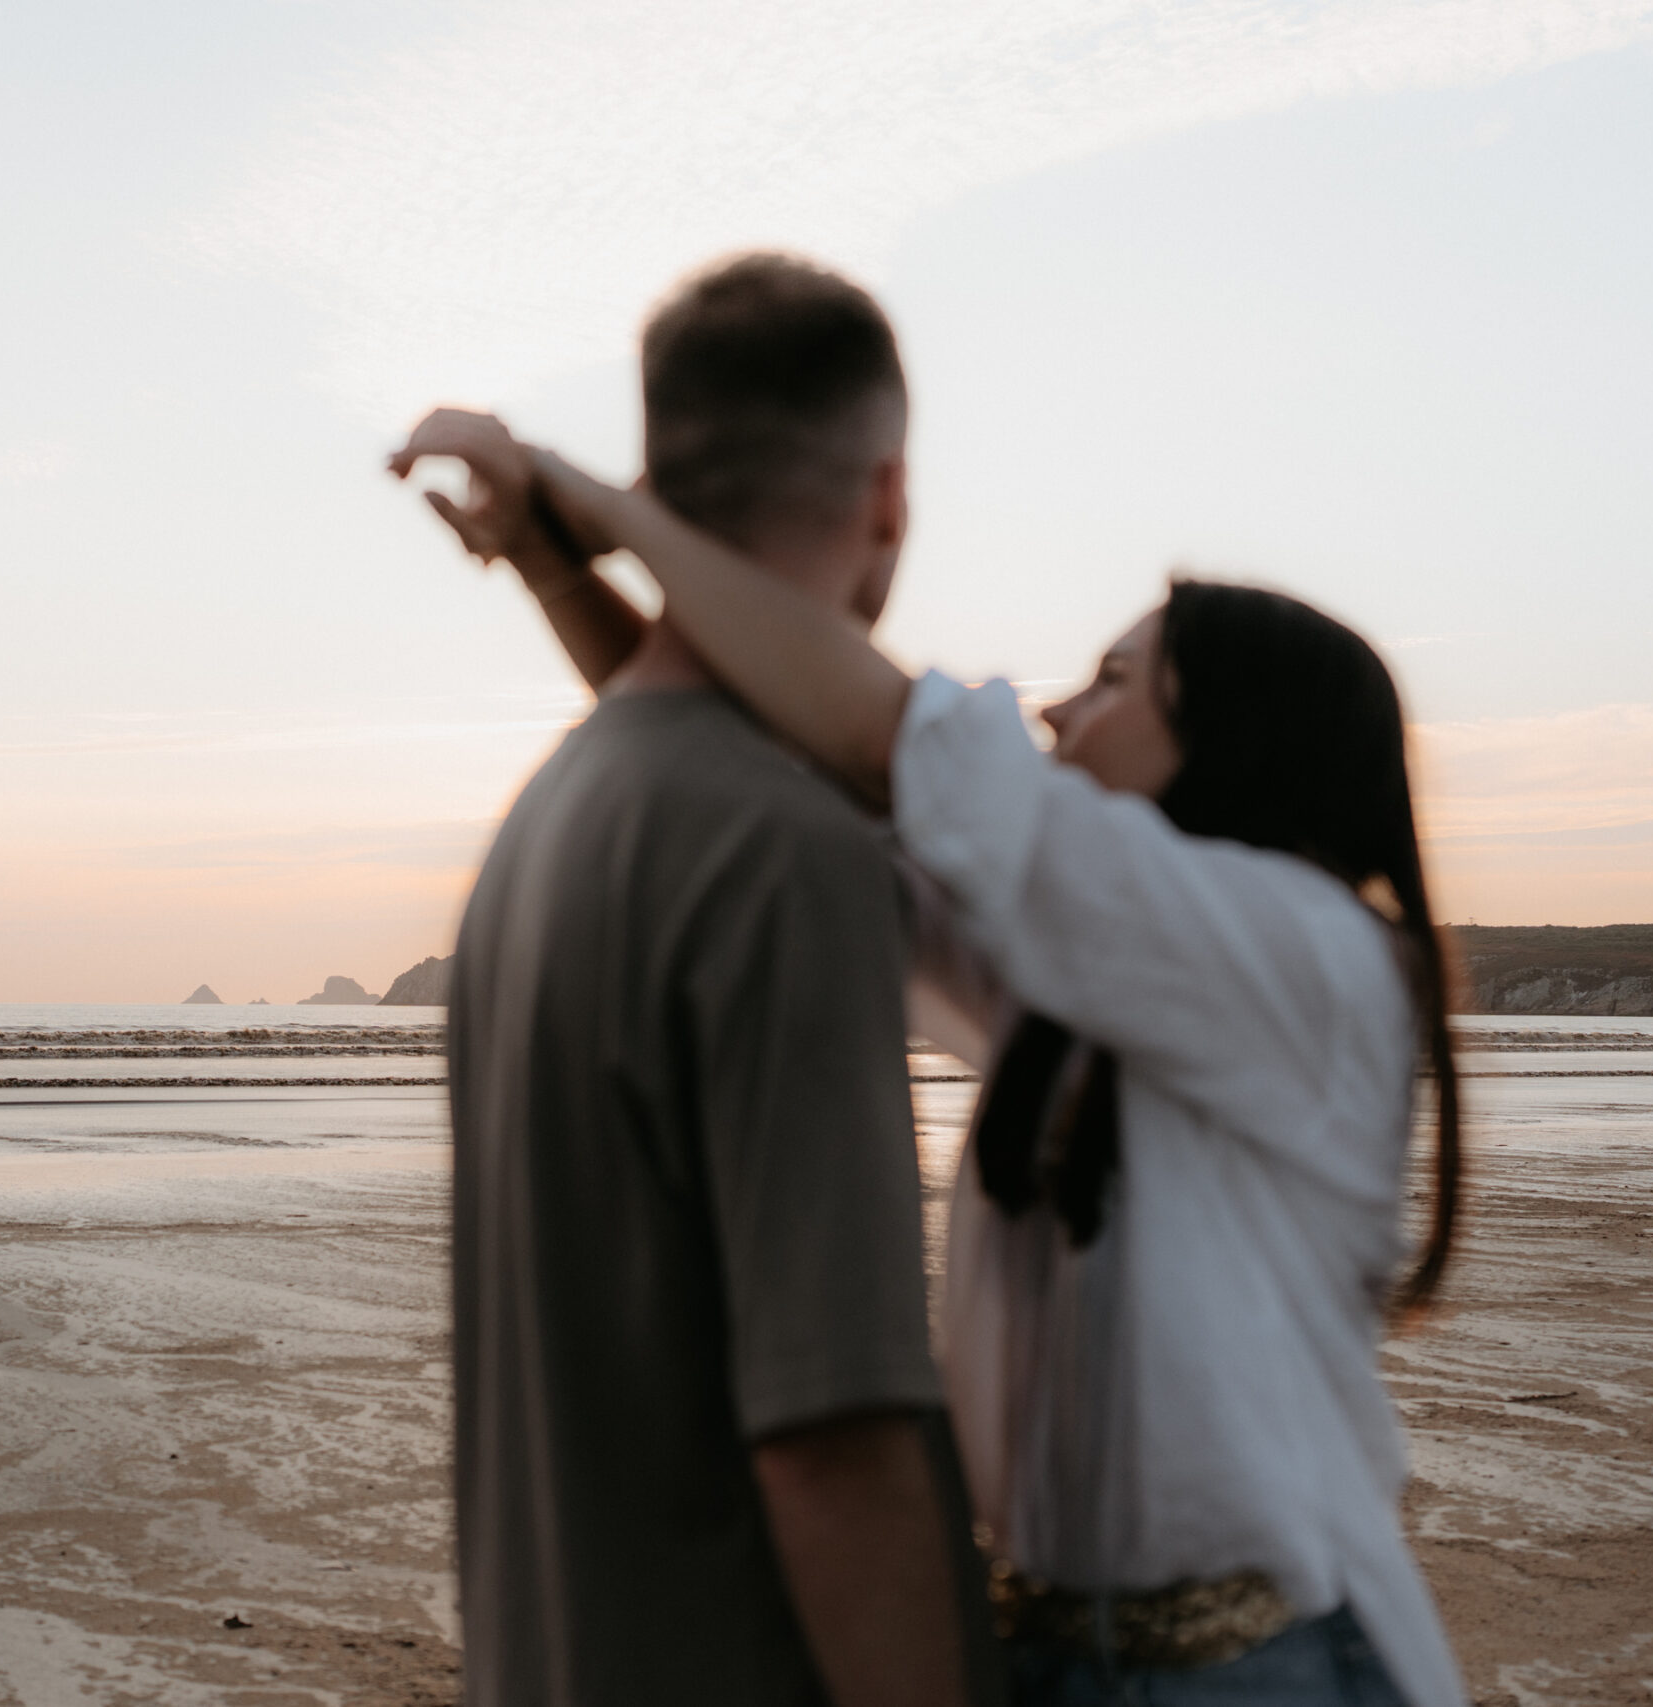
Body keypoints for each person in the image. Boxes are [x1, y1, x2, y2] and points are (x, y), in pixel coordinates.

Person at [458, 438, 1473, 1707]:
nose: (1054, 710)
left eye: (1111, 684)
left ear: (1235, 740)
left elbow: (900, 747)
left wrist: (624, 513)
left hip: (1268, 1671)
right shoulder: (1088, 975)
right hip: (1061, 1660)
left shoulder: (1315, 963)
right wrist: (564, 574)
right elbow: (787, 774)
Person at [391, 254, 987, 1707]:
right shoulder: (782, 856)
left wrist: (553, 557)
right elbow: (835, 1433)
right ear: (889, 494)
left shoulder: (551, 820)